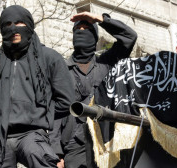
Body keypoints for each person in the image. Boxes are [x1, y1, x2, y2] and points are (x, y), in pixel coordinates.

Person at [0, 5, 74, 168]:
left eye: (19, 22)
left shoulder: (49, 58)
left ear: (29, 25)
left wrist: (39, 113)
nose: (14, 28)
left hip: (32, 134)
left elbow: (66, 101)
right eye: (7, 24)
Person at [49, 11, 137, 168]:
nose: (82, 32)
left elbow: (129, 37)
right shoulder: (61, 70)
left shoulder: (107, 62)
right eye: (78, 29)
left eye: (87, 28)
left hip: (106, 141)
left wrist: (101, 20)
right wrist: (56, 153)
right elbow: (56, 112)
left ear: (95, 36)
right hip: (74, 145)